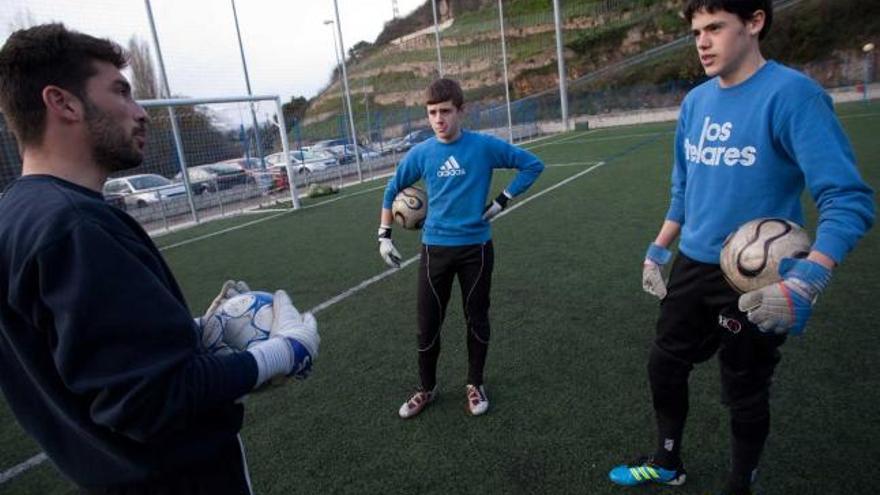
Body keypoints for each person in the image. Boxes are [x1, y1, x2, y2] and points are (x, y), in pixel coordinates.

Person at [0, 24, 319, 493]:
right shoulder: (75, 226)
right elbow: (151, 400)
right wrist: (280, 354)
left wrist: (182, 334)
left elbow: (86, 361)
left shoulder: (15, 213)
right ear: (62, 102)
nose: (140, 111)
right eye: (121, 92)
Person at [607, 1, 875, 494]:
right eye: (695, 33)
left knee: (744, 390)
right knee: (664, 363)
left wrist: (808, 279)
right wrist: (659, 249)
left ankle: (739, 484)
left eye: (715, 28)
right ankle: (667, 462)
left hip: (759, 277)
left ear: (754, 23)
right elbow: (684, 189)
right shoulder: (695, 103)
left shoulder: (793, 95)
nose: (702, 42)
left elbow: (848, 199)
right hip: (694, 265)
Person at [378, 78, 544, 419]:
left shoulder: (483, 147)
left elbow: (532, 165)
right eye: (432, 113)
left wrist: (501, 201)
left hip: (476, 250)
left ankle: (475, 383)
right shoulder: (421, 153)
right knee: (427, 325)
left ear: (461, 111)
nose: (439, 119)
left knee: (477, 319)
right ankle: (426, 388)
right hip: (434, 251)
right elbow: (391, 189)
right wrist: (384, 235)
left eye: (445, 112)